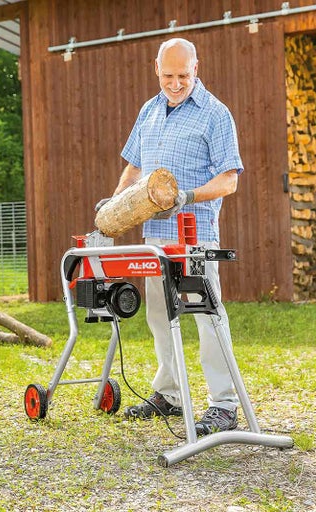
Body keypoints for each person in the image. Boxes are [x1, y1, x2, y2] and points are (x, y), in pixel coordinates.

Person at [95, 37, 244, 435]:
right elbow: (133, 169)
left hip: (194, 237)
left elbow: (229, 180)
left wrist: (187, 196)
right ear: (155, 69)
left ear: (196, 69)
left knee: (207, 317)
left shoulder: (216, 114)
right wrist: (113, 206)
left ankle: (224, 404)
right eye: (168, 76)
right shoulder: (149, 110)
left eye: (183, 75)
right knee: (159, 316)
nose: (175, 83)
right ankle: (170, 395)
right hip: (154, 238)